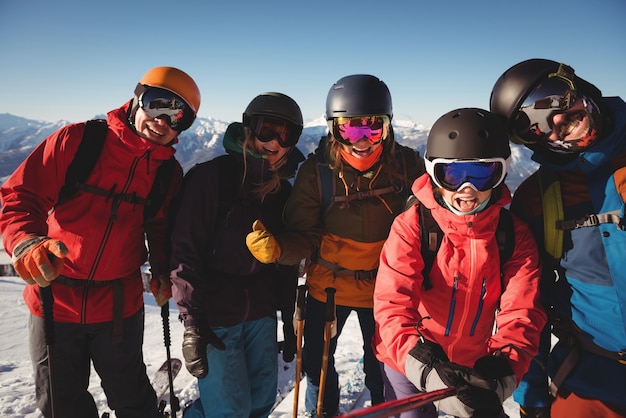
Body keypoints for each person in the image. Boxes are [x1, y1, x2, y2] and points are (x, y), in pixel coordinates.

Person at [0, 66, 201, 417]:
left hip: (118, 307)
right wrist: (27, 242)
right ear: (138, 97)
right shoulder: (78, 142)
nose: (163, 121)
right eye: (158, 105)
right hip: (53, 299)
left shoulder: (167, 173)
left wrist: (162, 271)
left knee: (133, 398)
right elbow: (21, 196)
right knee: (61, 404)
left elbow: (161, 228)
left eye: (178, 117)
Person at [246, 74, 425, 416]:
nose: (361, 141)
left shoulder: (407, 167)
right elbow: (305, 234)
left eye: (372, 128)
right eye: (349, 129)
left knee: (384, 369)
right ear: (333, 129)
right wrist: (280, 250)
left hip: (386, 291)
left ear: (388, 128)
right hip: (328, 288)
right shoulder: (319, 172)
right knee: (317, 367)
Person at [373, 107, 547, 418]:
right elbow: (393, 305)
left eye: (483, 174)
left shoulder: (511, 235)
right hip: (409, 361)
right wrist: (424, 367)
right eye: (452, 175)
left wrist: (502, 369)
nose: (467, 190)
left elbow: (522, 312)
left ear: (502, 173)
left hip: (475, 366)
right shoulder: (413, 226)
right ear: (433, 174)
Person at [489, 58, 626, 418]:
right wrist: (532, 397)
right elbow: (525, 302)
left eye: (553, 99)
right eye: (529, 126)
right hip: (595, 376)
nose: (554, 123)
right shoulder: (538, 199)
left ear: (574, 85)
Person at [169, 92, 305, 417]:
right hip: (215, 314)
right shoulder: (210, 178)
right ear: (248, 129)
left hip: (260, 313)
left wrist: (287, 317)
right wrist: (193, 322)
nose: (274, 141)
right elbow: (184, 250)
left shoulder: (282, 192)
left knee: (260, 401)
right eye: (266, 129)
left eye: (285, 134)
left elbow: (282, 264)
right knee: (229, 410)